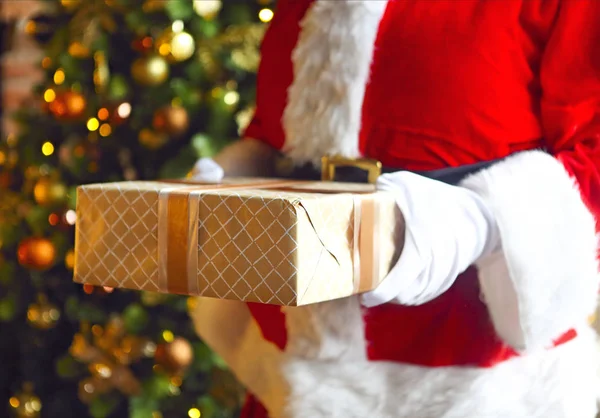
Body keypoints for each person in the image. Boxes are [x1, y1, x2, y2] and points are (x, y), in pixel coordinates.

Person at [189, 1, 600, 417]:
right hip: (292, 369)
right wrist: (218, 185)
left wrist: (475, 223)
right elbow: (277, 137)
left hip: (475, 379)